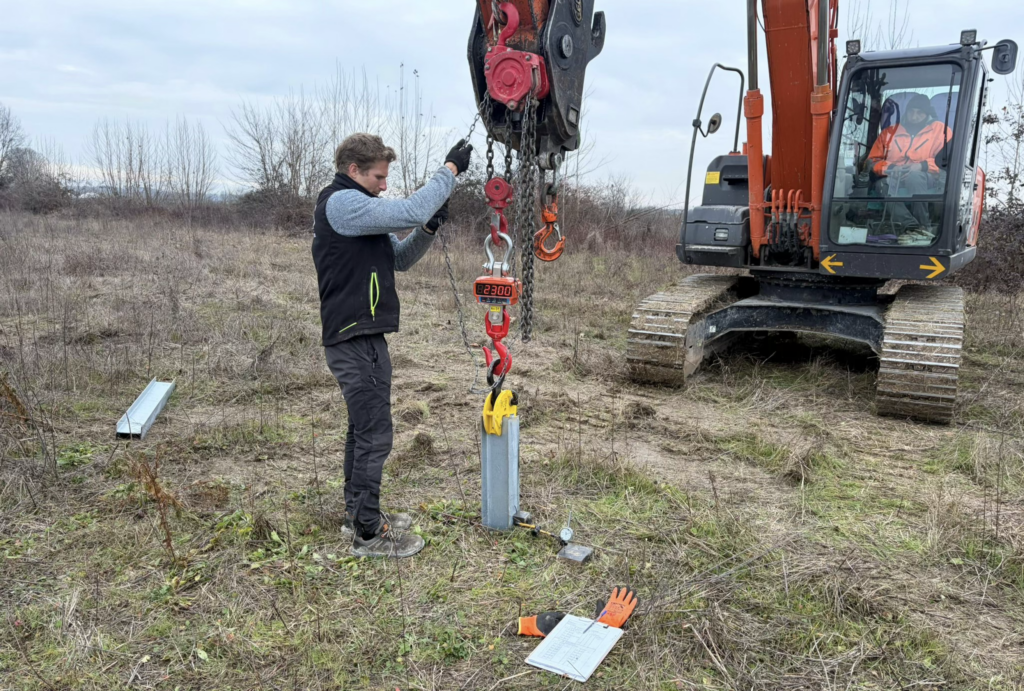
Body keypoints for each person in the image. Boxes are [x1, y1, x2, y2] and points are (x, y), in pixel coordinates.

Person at [311, 133, 473, 558]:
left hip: (365, 335)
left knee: (363, 430)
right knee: (374, 434)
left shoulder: (359, 211)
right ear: (354, 171)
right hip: (353, 336)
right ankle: (368, 533)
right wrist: (450, 170)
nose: (384, 186)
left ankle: (358, 514)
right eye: (379, 177)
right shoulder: (342, 203)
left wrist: (429, 228)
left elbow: (398, 258)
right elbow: (413, 206)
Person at [867, 93, 953, 243]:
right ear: (906, 112)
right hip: (894, 175)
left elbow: (947, 161)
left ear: (927, 114)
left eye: (919, 112)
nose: (914, 116)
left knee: (915, 178)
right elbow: (873, 161)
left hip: (928, 176)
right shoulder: (889, 133)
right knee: (882, 185)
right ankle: (912, 226)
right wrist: (891, 168)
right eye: (911, 111)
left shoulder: (942, 131)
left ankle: (924, 226)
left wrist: (922, 165)